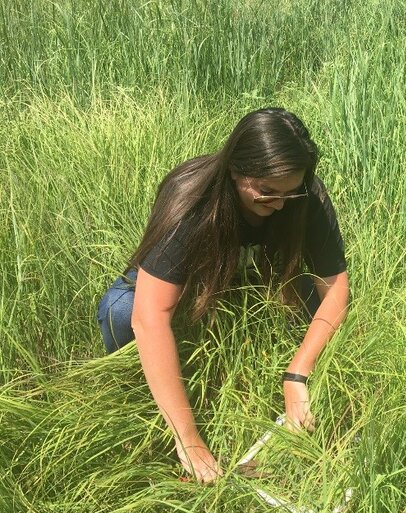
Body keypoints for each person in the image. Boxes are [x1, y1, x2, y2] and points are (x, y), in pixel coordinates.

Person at [96, 108, 350, 483]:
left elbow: (336, 288)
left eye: (290, 193)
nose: (280, 204)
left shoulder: (305, 195)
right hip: (189, 280)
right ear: (235, 171)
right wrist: (190, 440)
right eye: (267, 193)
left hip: (249, 279)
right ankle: (134, 390)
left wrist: (297, 375)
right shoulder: (192, 201)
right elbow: (150, 317)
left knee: (323, 316)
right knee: (122, 310)